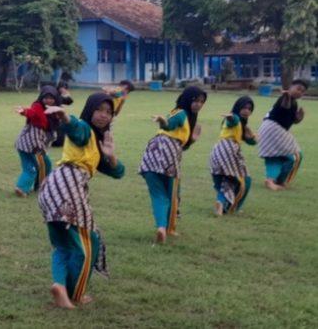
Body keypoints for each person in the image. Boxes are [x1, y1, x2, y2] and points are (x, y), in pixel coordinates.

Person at [38, 93, 125, 309]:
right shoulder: (85, 130)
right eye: (99, 109)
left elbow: (118, 173)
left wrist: (111, 155)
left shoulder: (96, 143)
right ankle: (76, 293)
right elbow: (77, 129)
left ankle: (59, 286)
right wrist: (66, 119)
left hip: (52, 186)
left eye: (109, 112)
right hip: (68, 185)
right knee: (89, 242)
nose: (104, 115)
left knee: (62, 244)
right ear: (90, 110)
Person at [139, 86, 206, 244]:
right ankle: (169, 228)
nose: (198, 104)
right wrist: (162, 121)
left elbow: (181, 142)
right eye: (195, 100)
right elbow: (168, 124)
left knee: (159, 195)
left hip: (151, 157)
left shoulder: (187, 119)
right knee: (172, 192)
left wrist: (193, 139)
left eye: (202, 102)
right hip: (167, 154)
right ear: (187, 98)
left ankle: (162, 228)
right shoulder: (180, 112)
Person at [257, 80, 308, 190]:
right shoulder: (285, 98)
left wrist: (299, 117)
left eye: (302, 92)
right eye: (298, 89)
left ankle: (271, 181)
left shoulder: (294, 102)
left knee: (273, 157)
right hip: (274, 129)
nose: (300, 92)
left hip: (268, 129)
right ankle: (279, 181)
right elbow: (285, 105)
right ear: (290, 87)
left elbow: (291, 120)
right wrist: (286, 96)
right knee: (295, 156)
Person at [209, 96, 255, 215]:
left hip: (217, 151)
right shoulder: (235, 119)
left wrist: (252, 135)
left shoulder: (242, 125)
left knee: (227, 181)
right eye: (244, 108)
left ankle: (220, 202)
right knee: (245, 180)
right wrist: (230, 117)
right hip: (229, 151)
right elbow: (232, 120)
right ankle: (233, 208)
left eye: (250, 109)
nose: (247, 111)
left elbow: (251, 142)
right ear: (237, 107)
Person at [14, 85, 62, 197]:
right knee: (35, 167)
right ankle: (23, 188)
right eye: (46, 98)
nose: (48, 100)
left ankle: (37, 186)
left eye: (51, 98)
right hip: (31, 144)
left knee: (44, 164)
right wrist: (23, 111)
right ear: (42, 98)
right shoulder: (38, 106)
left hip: (28, 144)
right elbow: (32, 112)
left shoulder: (55, 111)